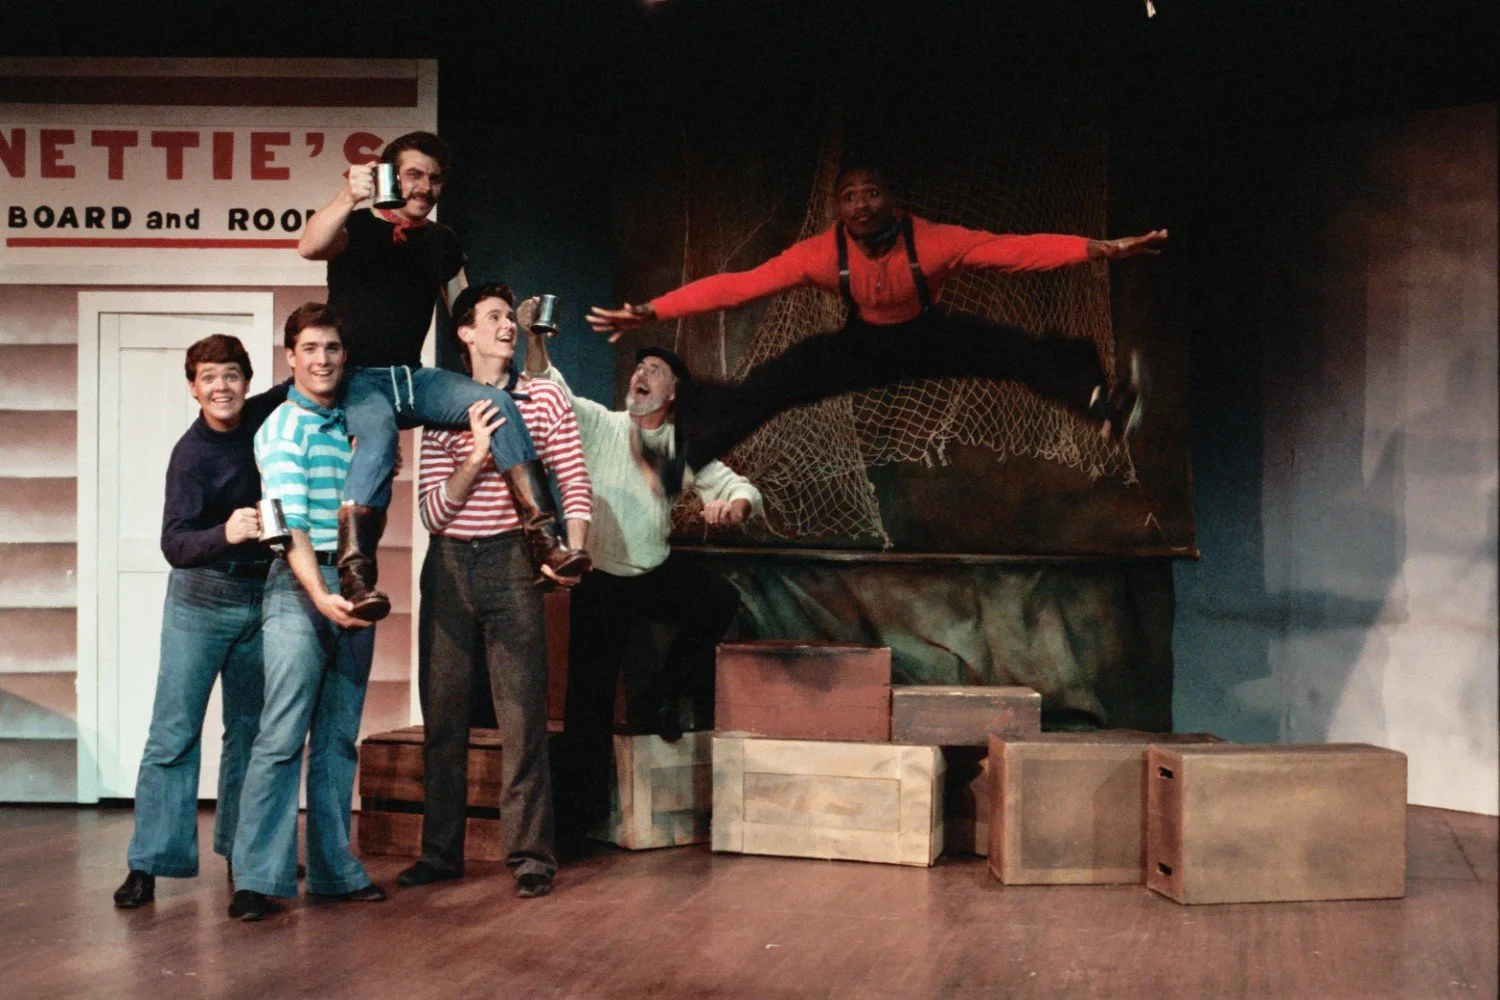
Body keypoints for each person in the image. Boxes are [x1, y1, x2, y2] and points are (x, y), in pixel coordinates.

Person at [588, 157, 1167, 491]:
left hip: (927, 334)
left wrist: (1098, 248)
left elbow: (1013, 250)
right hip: (864, 344)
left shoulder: (935, 242)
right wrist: (651, 310)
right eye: (849, 196)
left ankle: (1101, 404)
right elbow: (740, 285)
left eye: (871, 192)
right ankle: (678, 466)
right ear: (839, 208)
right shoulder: (819, 254)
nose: (861, 204)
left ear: (891, 197)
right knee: (771, 384)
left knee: (1012, 349)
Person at [298, 130, 585, 620]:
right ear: (392, 175)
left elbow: (463, 312)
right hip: (362, 379)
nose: (425, 187)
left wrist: (508, 325)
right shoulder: (359, 226)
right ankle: (357, 574)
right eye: (413, 174)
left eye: (434, 179)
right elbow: (309, 245)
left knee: (496, 404)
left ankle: (544, 539)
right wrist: (351, 193)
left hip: (412, 378)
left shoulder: (442, 241)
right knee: (379, 435)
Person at [521, 306, 761, 847]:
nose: (642, 374)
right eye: (639, 366)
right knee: (588, 705)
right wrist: (536, 339)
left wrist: (735, 508)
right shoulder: (600, 423)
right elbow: (545, 384)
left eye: (656, 370)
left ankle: (663, 694)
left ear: (672, 393)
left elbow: (739, 489)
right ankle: (575, 830)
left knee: (718, 598)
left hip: (652, 569)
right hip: (600, 579)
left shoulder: (678, 448)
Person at [395, 284, 591, 899]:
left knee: (523, 716)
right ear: (465, 333)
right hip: (451, 565)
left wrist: (573, 549)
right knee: (444, 716)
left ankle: (531, 855)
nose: (509, 326)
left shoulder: (542, 397)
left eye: (512, 317)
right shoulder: (442, 407)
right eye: (496, 317)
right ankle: (440, 852)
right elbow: (432, 513)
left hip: (513, 561)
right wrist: (475, 459)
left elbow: (574, 480)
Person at [112, 336, 288, 910]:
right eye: (209, 378)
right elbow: (173, 544)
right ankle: (148, 863)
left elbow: (312, 377)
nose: (222, 387)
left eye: (232, 375)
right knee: (174, 731)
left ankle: (247, 856)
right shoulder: (189, 456)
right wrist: (225, 533)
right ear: (193, 387)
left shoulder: (267, 412)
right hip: (200, 597)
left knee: (251, 734)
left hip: (266, 596)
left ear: (247, 381)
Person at [229, 303, 385, 922]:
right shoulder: (281, 430)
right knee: (281, 734)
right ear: (290, 357)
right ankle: (256, 879)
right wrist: (321, 597)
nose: (323, 360)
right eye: (311, 349)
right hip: (302, 582)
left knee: (338, 737)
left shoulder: (355, 422)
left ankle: (333, 872)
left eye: (333, 349)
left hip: (351, 577)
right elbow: (286, 525)